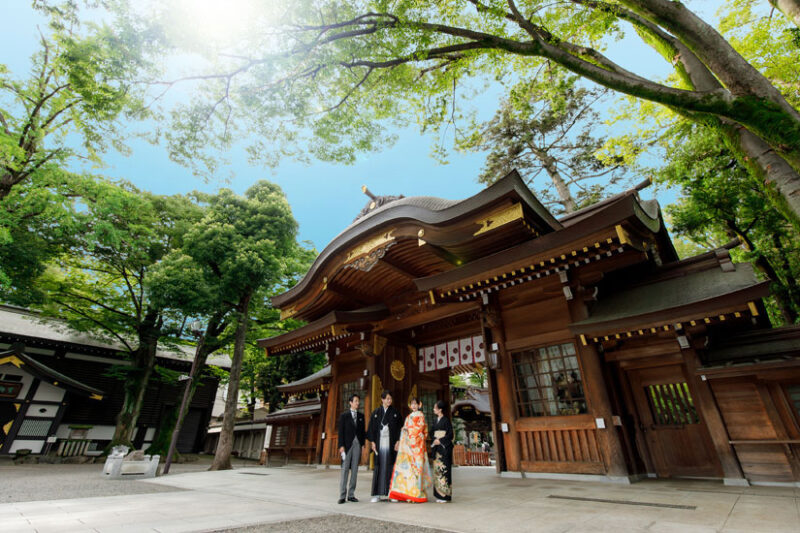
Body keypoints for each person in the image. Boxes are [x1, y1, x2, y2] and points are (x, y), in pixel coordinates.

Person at [388, 397, 431, 503]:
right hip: (408, 447)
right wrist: (404, 430)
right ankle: (407, 493)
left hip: (418, 447)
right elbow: (405, 429)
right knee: (408, 471)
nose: (414, 406)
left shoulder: (421, 416)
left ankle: (417, 492)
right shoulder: (408, 417)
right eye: (412, 404)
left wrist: (409, 430)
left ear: (419, 405)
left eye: (415, 404)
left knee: (417, 469)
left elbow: (421, 429)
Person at [366, 389, 402, 503]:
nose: (389, 401)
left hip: (391, 443)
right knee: (379, 466)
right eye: (387, 399)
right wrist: (372, 442)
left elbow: (400, 429)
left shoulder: (396, 413)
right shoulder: (376, 412)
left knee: (391, 467)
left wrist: (398, 441)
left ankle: (393, 494)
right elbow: (371, 429)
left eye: (390, 399)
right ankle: (377, 494)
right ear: (382, 399)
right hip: (380, 442)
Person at [337, 393, 366, 504]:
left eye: (358, 401)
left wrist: (362, 444)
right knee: (345, 470)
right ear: (350, 402)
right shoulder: (344, 416)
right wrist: (341, 446)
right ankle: (342, 495)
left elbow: (362, 431)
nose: (357, 403)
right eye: (355, 401)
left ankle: (351, 494)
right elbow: (341, 432)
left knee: (355, 470)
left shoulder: (361, 416)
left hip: (357, 445)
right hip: (347, 445)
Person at [431, 400, 454, 503]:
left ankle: (445, 495)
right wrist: (434, 440)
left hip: (443, 447)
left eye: (435, 408)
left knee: (444, 470)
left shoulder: (446, 420)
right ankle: (439, 495)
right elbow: (432, 432)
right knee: (437, 471)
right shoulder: (435, 421)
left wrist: (439, 440)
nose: (434, 409)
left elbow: (450, 435)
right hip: (437, 447)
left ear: (440, 409)